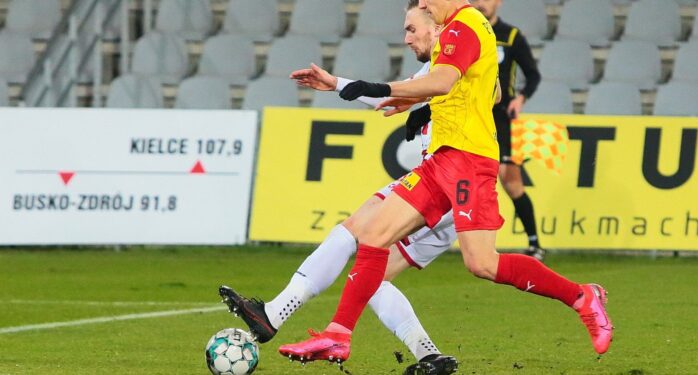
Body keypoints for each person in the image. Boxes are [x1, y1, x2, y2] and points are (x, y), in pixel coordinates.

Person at [281, 0, 613, 367]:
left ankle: (582, 297)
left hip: (469, 161)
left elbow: (441, 80)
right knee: (374, 235)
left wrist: (376, 87)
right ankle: (337, 335)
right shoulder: (466, 29)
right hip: (442, 160)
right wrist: (357, 88)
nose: (422, 3)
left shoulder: (464, 24)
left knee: (482, 263)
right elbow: (491, 90)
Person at [220, 4, 459, 374]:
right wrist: (336, 84)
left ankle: (274, 315)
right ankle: (429, 355)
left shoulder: (458, 60)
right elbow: (392, 98)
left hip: (448, 182)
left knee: (354, 233)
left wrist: (424, 105)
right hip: (449, 188)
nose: (407, 38)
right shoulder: (439, 67)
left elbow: (484, 93)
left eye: (412, 29)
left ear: (436, 25)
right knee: (370, 275)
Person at [472, 0, 545, 261]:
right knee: (468, 179)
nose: (480, 3)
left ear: (497, 2)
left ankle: (535, 243)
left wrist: (520, 98)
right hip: (471, 116)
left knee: (510, 181)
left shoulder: (510, 36)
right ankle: (473, 243)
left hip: (501, 119)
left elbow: (533, 75)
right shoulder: (466, 32)